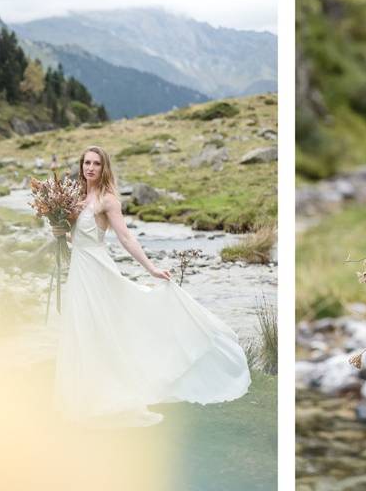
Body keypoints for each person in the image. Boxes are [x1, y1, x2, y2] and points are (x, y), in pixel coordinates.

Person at [53, 145, 250, 427]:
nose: (90, 168)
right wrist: (59, 232)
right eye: (87, 163)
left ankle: (117, 392)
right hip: (79, 271)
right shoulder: (75, 198)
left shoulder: (108, 201)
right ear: (81, 166)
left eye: (96, 163)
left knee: (105, 329)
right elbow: (76, 240)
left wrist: (152, 268)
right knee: (82, 330)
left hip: (98, 271)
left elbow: (126, 237)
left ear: (103, 167)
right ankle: (85, 397)